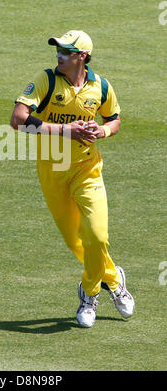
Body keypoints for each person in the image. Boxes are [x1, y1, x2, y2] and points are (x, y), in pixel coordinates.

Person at [10, 30, 135, 328]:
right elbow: (18, 120)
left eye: (66, 51)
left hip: (86, 168)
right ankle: (114, 279)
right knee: (76, 242)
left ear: (82, 57)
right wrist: (67, 131)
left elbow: (113, 118)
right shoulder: (46, 80)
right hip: (52, 171)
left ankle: (90, 293)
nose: (59, 55)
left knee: (97, 235)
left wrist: (103, 132)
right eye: (58, 50)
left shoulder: (100, 86)